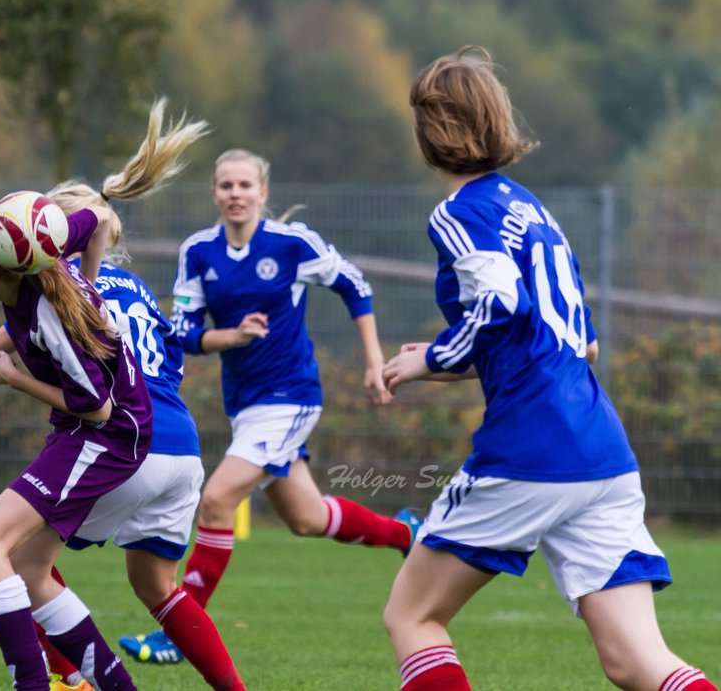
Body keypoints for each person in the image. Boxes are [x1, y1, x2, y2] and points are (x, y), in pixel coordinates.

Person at [380, 46, 715, 691]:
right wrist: (449, 362)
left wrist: (429, 358)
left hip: (530, 448)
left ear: (430, 130)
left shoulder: (459, 213)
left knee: (412, 615)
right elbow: (577, 341)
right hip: (601, 450)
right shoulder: (533, 212)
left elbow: (502, 303)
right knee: (638, 663)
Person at [121, 146, 415, 665]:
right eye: (226, 185)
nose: (235, 194)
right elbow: (183, 332)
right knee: (305, 517)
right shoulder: (198, 252)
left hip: (292, 396)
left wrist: (374, 361)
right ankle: (406, 533)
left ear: (263, 192)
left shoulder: (291, 244)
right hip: (245, 405)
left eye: (244, 185)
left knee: (216, 500)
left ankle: (178, 633)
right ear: (215, 193)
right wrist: (229, 337)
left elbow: (355, 285)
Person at [0, 180, 246, 689]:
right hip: (181, 444)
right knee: (156, 585)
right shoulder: (135, 285)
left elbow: (75, 378)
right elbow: (171, 361)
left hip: (128, 440)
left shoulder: (58, 287)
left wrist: (11, 375)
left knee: (20, 558)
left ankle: (71, 680)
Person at [0, 199, 148, 691]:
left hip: (106, 435)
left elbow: (97, 409)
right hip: (97, 431)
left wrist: (14, 378)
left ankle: (31, 685)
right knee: (29, 569)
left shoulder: (51, 315)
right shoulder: (39, 252)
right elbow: (98, 217)